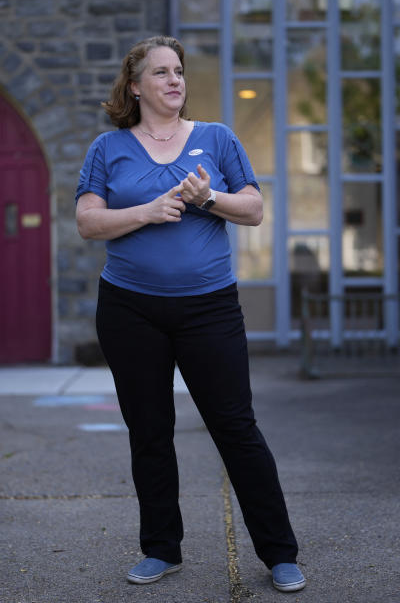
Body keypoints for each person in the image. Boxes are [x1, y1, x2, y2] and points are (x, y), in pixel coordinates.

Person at [75, 35, 305, 593]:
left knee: (235, 427)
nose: (175, 80)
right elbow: (87, 221)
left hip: (209, 309)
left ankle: (279, 553)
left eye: (179, 71)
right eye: (161, 72)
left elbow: (252, 209)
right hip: (130, 310)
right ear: (134, 86)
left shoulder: (216, 139)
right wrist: (147, 211)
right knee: (150, 432)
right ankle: (160, 549)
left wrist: (209, 200)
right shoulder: (109, 149)